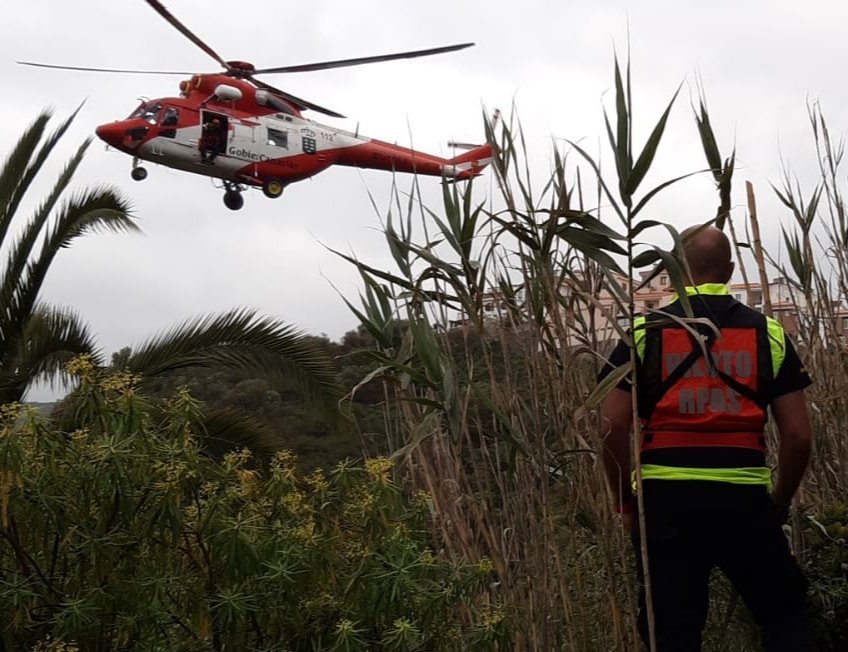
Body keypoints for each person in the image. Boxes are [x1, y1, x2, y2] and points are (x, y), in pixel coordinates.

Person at [599, 224, 817, 651]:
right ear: (730, 270)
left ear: (675, 269)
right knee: (786, 618)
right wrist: (779, 501)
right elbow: (797, 437)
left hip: (666, 504)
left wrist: (626, 503)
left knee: (672, 632)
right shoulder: (768, 333)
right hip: (745, 501)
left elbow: (611, 427)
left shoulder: (643, 333)